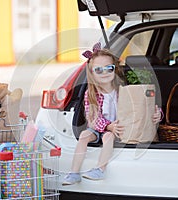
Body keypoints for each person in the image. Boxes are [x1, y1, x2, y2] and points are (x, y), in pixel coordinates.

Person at [62, 43, 162, 185]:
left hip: (120, 128)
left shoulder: (125, 89)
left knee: (108, 137)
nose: (104, 73)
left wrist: (158, 114)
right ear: (92, 73)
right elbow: (93, 118)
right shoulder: (91, 94)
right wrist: (108, 126)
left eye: (109, 68)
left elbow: (144, 105)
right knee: (84, 135)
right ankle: (74, 172)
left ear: (115, 69)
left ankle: (100, 170)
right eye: (98, 70)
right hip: (99, 128)